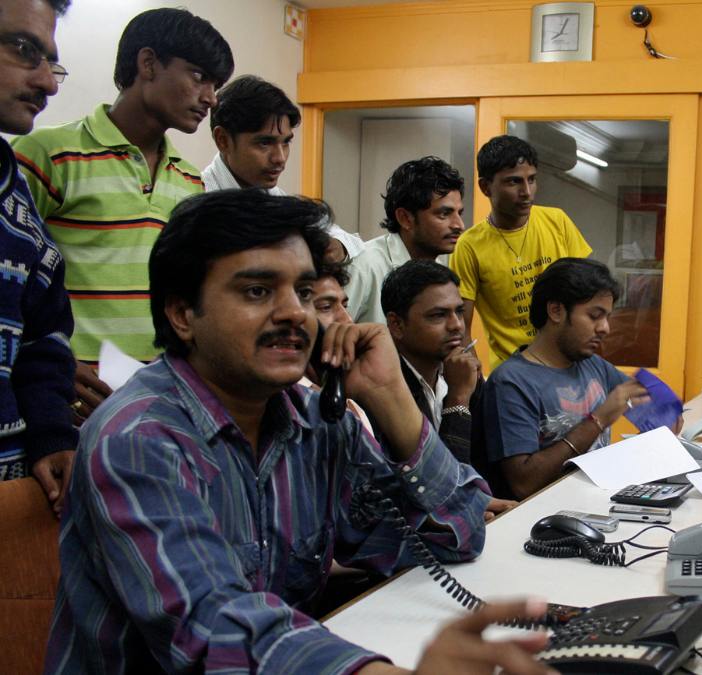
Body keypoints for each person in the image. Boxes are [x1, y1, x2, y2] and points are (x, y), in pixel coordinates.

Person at [45, 190, 549, 673]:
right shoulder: (138, 438)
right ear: (182, 315)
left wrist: (391, 396)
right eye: (258, 291)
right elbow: (214, 627)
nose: (295, 313)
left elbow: (458, 535)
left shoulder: (316, 419)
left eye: (304, 292)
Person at [13, 7, 233, 422]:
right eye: (199, 76)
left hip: (157, 401)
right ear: (147, 63)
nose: (211, 98)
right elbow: (11, 283)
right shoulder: (48, 155)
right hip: (67, 400)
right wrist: (53, 366)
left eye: (216, 85)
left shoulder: (190, 181)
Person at [485, 258, 649, 499]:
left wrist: (665, 413)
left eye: (607, 317)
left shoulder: (592, 364)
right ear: (556, 311)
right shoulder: (511, 382)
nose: (605, 328)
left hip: (598, 499)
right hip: (547, 514)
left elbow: (649, 402)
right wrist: (598, 420)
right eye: (594, 316)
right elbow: (525, 484)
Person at [0, 0, 74, 514]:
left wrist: (51, 431)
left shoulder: (16, 199)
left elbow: (41, 338)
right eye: (24, 49)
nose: (48, 83)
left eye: (52, 62)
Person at [449, 135, 592, 369]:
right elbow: (460, 327)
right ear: (486, 187)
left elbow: (587, 296)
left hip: (567, 364)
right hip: (513, 372)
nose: (527, 191)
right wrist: (475, 378)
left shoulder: (557, 221)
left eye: (532, 179)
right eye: (514, 182)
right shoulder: (469, 246)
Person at [202, 74, 365, 262]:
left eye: (286, 142)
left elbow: (350, 241)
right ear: (223, 140)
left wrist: (337, 246)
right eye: (264, 143)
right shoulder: (195, 201)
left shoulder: (276, 197)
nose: (279, 158)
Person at [381, 260, 483, 466]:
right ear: (396, 324)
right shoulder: (384, 393)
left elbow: (488, 466)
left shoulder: (464, 372)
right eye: (438, 315)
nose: (456, 325)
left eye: (459, 311)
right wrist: (458, 399)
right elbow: (443, 479)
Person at [346, 156, 465, 324]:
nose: (459, 225)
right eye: (444, 214)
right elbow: (330, 334)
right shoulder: (365, 266)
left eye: (459, 213)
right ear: (405, 218)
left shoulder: (441, 268)